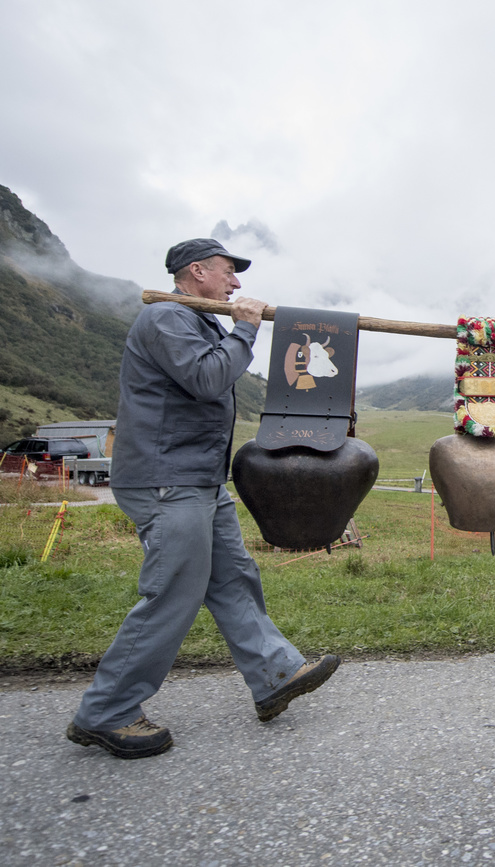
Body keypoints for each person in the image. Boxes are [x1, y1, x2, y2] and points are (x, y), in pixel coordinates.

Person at [67, 238, 339, 759]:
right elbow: (208, 379)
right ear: (197, 272)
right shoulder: (166, 318)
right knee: (173, 593)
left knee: (233, 576)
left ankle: (275, 672)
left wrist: (235, 328)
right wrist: (247, 327)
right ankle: (107, 711)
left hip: (198, 481)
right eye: (228, 273)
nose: (236, 283)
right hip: (165, 480)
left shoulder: (194, 320)